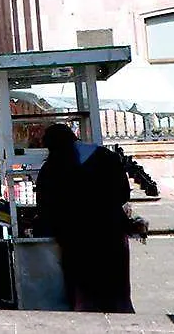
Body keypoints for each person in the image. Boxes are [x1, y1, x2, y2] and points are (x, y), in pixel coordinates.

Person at [35, 123, 134, 313]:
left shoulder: (52, 168)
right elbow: (124, 194)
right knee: (115, 290)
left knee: (84, 294)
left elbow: (45, 207)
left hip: (76, 239)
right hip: (111, 232)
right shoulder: (106, 157)